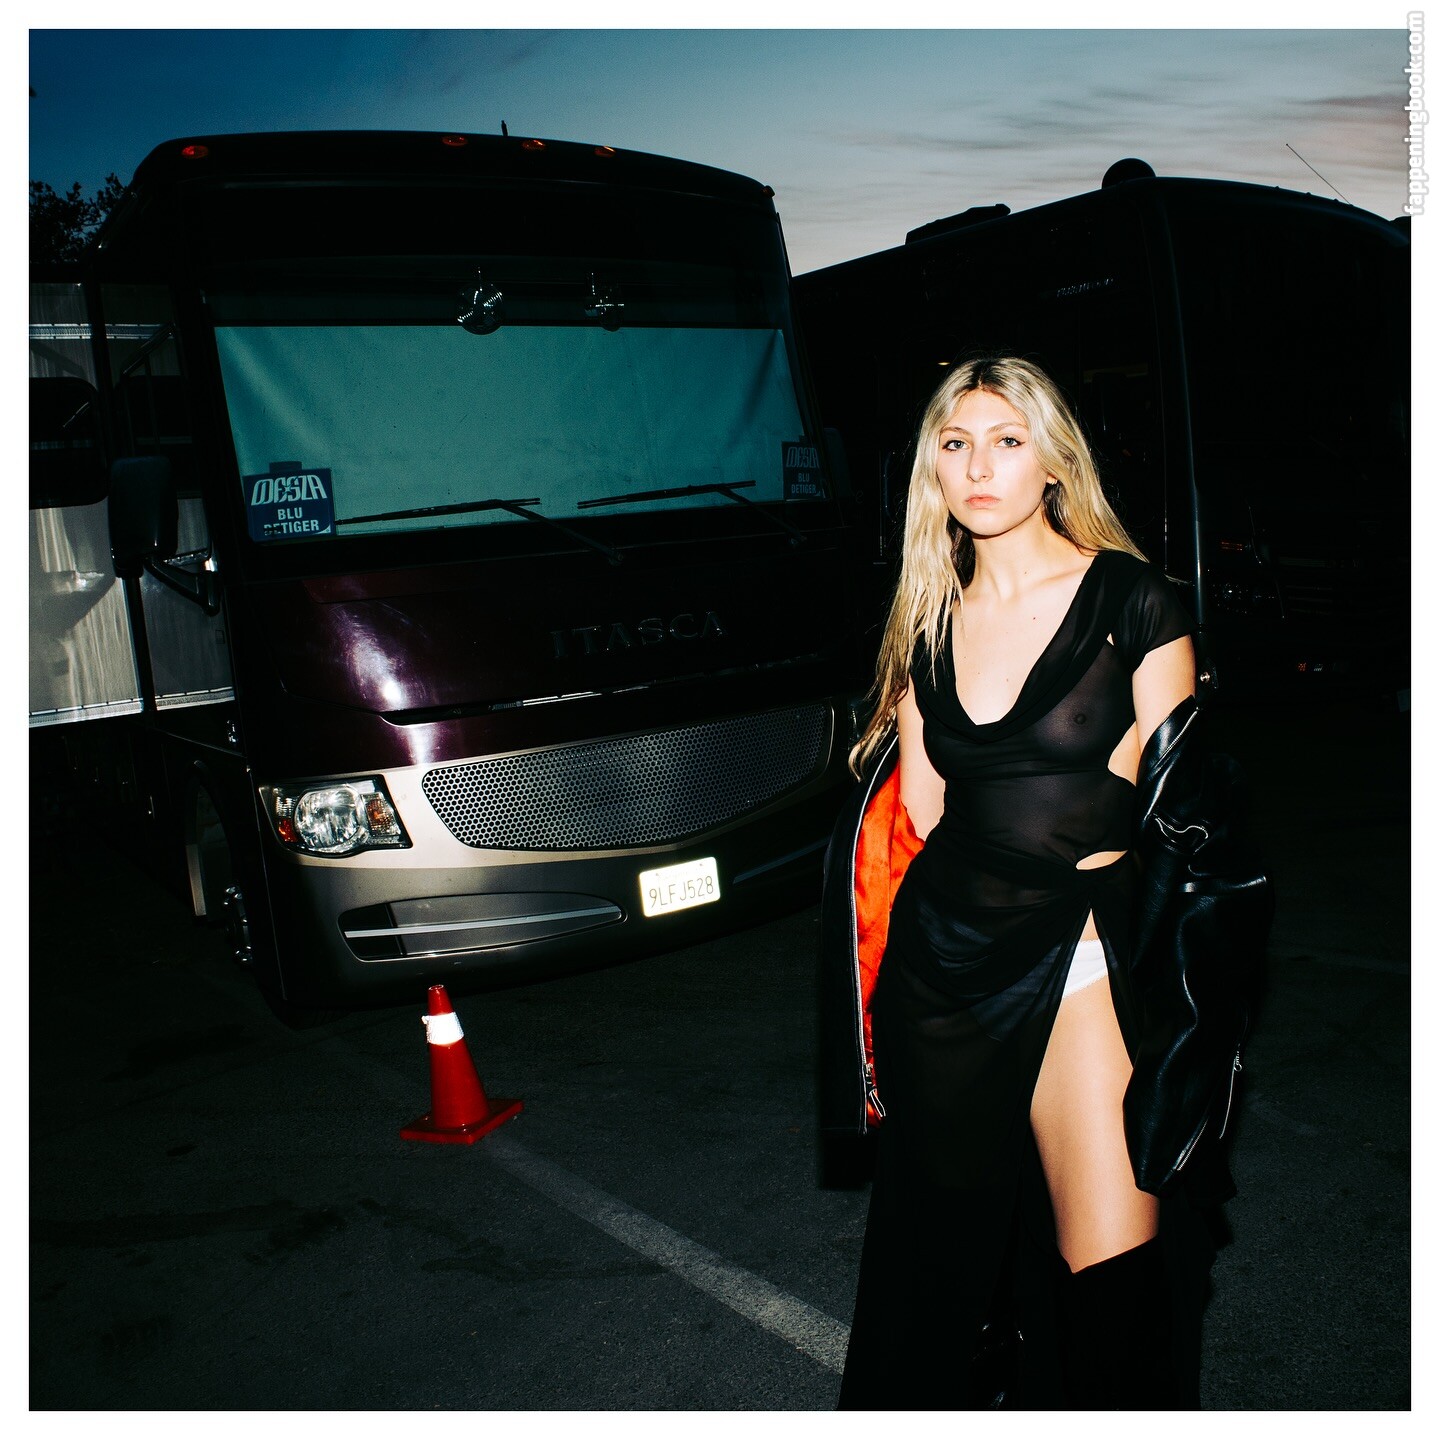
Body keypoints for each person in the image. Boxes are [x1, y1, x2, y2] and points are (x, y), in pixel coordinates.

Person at [833, 355, 1209, 1410]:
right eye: (956, 445)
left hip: (1082, 957)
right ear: (933, 471)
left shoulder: (1133, 601)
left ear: (1052, 461)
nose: (979, 467)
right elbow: (922, 815)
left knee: (1112, 1265)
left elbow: (1176, 822)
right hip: (943, 974)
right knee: (942, 1263)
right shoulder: (930, 624)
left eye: (1006, 441)